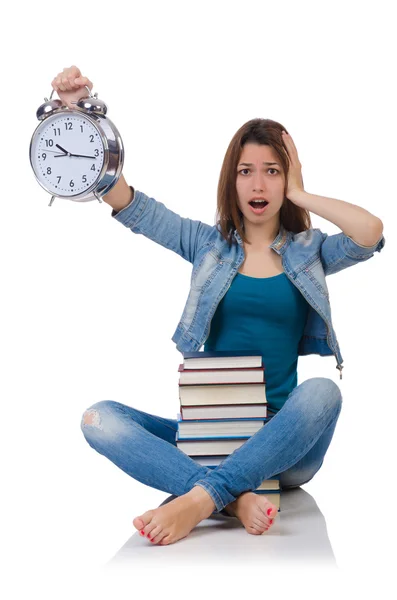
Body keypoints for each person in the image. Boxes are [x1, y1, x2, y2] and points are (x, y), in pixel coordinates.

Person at [52, 66, 385, 547]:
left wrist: (301, 192)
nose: (258, 185)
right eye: (246, 171)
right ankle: (228, 495)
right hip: (214, 437)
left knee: (322, 393)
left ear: (285, 179)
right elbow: (127, 200)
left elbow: (370, 232)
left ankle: (200, 498)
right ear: (231, 180)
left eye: (272, 172)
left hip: (286, 445)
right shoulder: (205, 244)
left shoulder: (308, 251)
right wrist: (77, 115)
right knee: (99, 418)